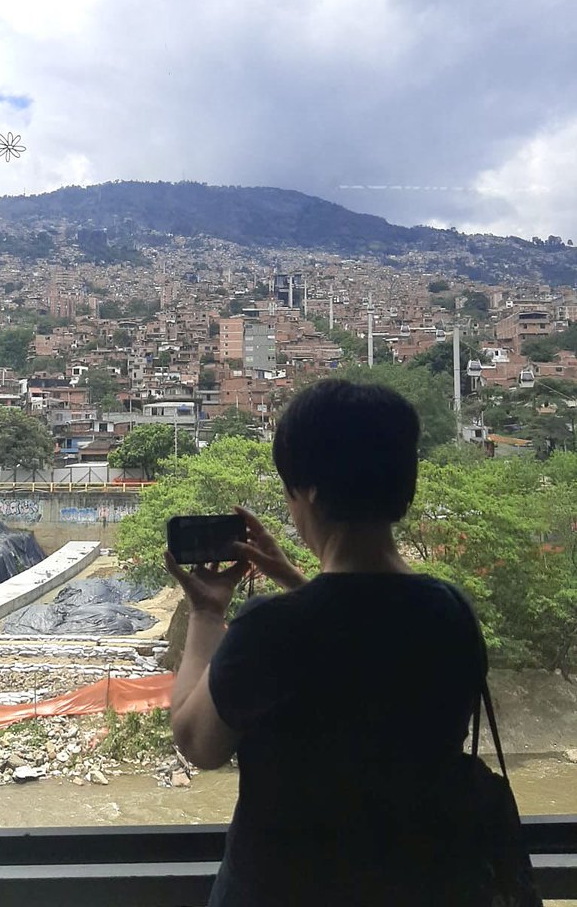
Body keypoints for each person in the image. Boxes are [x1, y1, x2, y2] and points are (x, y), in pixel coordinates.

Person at [165, 379, 487, 907]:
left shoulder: (269, 630)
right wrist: (295, 577)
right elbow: (360, 632)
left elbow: (197, 742)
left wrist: (206, 612)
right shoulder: (450, 612)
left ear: (308, 491)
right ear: (404, 483)